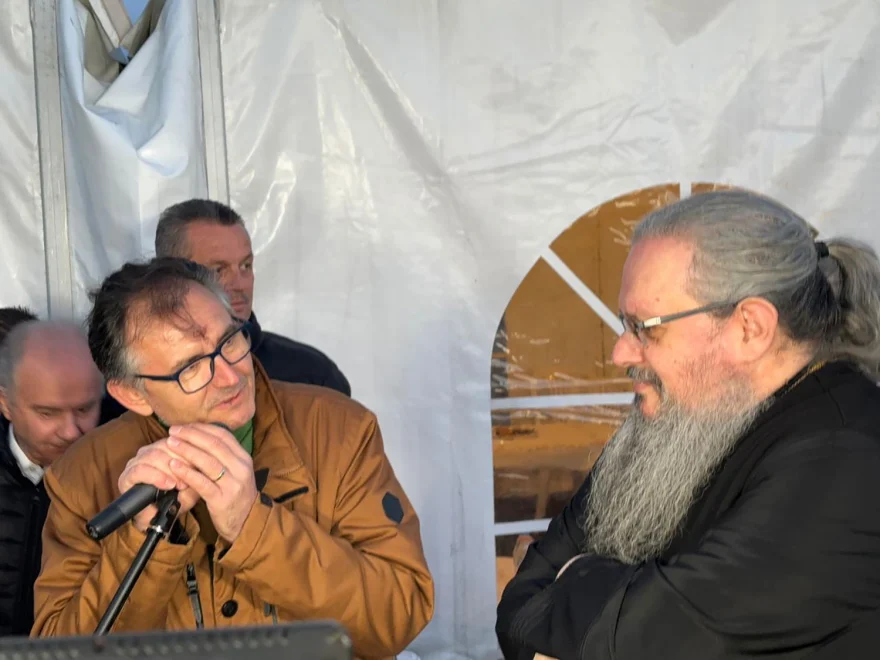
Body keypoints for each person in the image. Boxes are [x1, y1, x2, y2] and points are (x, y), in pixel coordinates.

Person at [496, 190, 880, 659]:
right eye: (624, 324)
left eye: (645, 328)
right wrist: (607, 593)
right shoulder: (673, 422)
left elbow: (649, 643)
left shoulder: (846, 459)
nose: (620, 352)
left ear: (751, 328)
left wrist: (573, 576)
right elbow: (518, 610)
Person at [32, 258, 433, 658]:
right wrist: (143, 540)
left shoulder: (338, 430)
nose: (231, 376)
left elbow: (399, 614)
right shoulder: (82, 476)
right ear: (132, 394)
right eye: (191, 368)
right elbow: (62, 651)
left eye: (229, 342)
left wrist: (253, 528)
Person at [155, 199, 350, 395]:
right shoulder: (145, 380)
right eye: (219, 270)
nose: (240, 285)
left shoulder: (312, 376)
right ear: (170, 277)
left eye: (245, 266)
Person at [0, 321, 104, 636]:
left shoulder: (123, 471)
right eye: (48, 413)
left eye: (84, 409)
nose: (71, 431)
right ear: (5, 404)